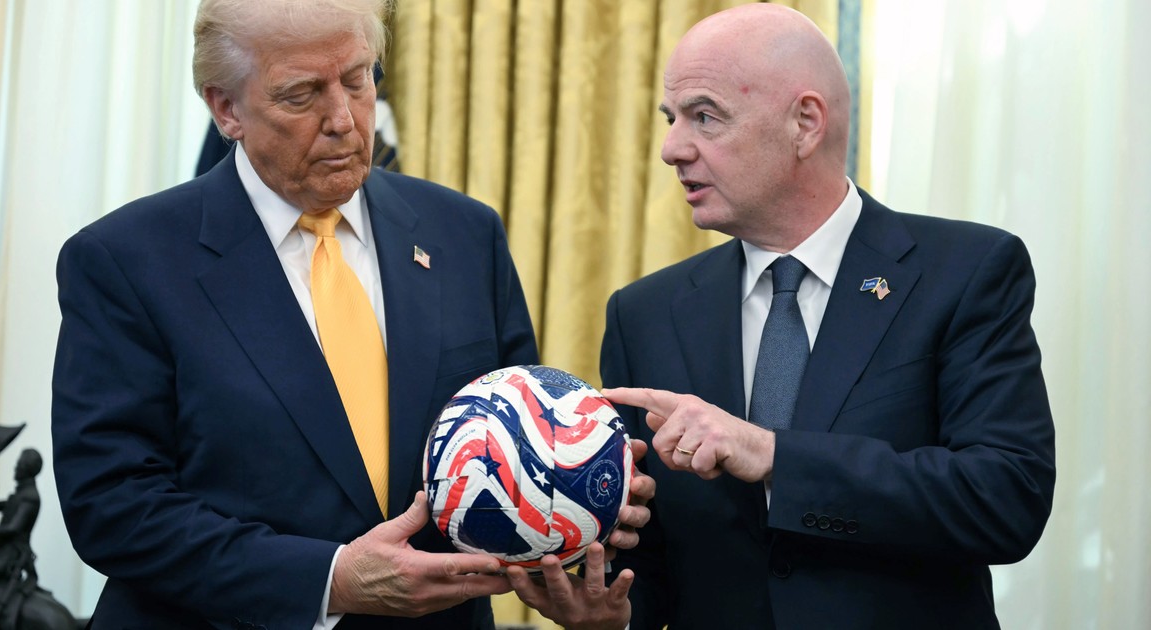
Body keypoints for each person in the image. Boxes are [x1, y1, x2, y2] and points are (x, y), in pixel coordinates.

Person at [51, 0, 648, 628]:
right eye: (301, 94)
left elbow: (519, 445)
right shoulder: (126, 260)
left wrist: (585, 504)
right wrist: (328, 581)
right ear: (227, 109)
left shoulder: (464, 233)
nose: (342, 119)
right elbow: (112, 504)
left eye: (358, 79)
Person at [599, 4, 1055, 629]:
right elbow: (645, 561)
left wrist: (774, 456)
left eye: (704, 116)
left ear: (805, 123)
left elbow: (1005, 498)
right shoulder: (643, 314)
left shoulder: (966, 272)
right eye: (671, 118)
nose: (671, 148)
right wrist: (606, 612)